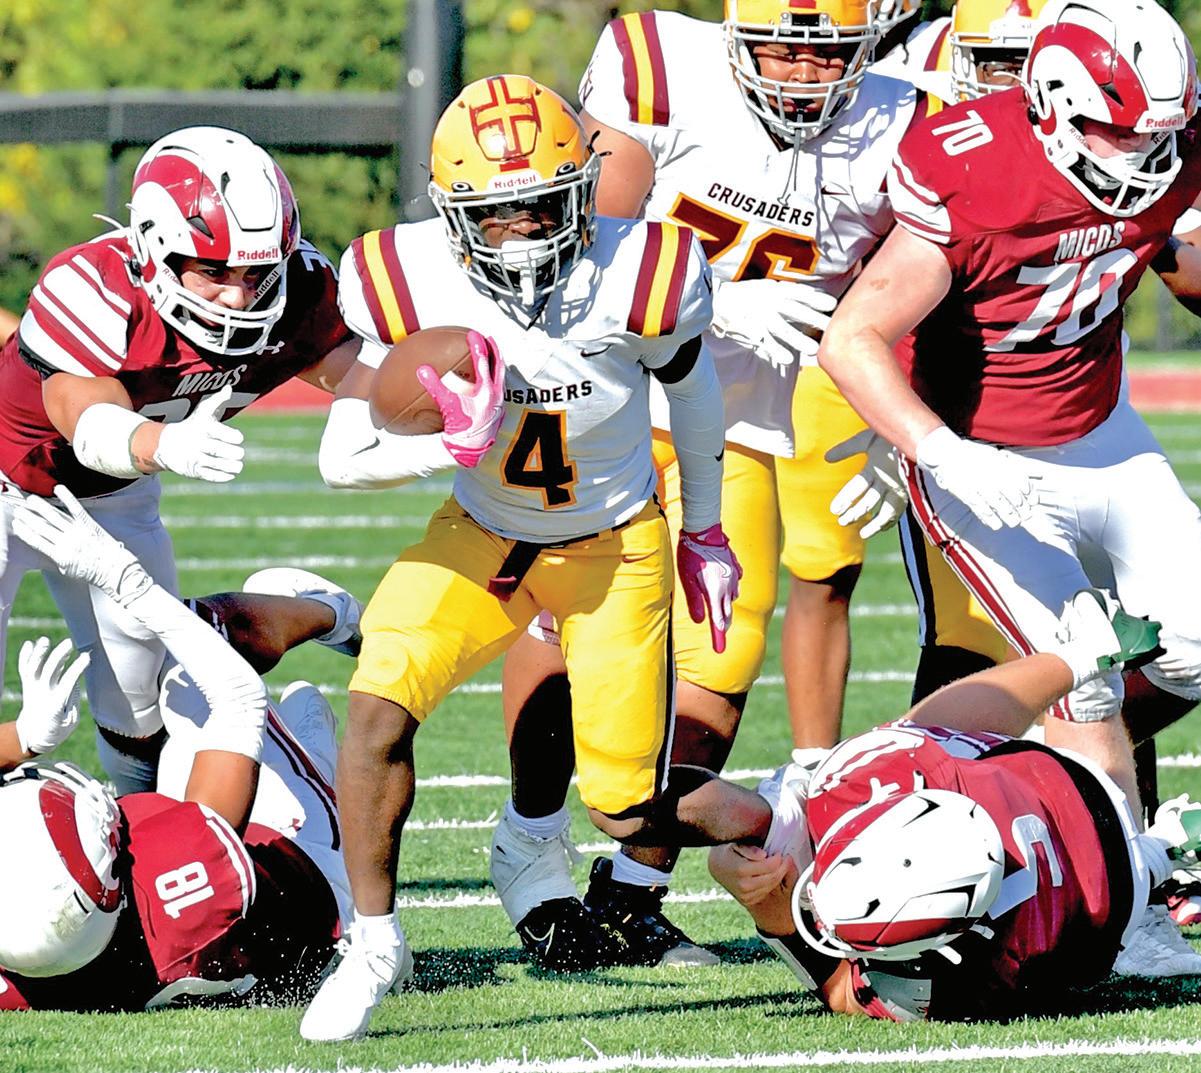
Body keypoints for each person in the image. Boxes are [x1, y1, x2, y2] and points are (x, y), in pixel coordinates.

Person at [301, 75, 823, 1043]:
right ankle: (373, 944)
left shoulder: (646, 269)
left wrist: (704, 530)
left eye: (543, 204)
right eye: (494, 214)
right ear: (451, 214)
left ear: (584, 188)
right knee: (375, 707)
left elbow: (694, 397)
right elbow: (343, 458)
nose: (523, 233)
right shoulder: (399, 273)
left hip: (612, 544)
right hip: (482, 533)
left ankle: (796, 829)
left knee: (626, 805)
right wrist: (445, 441)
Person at [488, 0, 920, 971]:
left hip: (757, 413)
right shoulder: (658, 63)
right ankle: (531, 846)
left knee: (726, 634)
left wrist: (903, 425)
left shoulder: (903, 114)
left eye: (826, 54)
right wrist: (714, 297)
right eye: (779, 48)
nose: (801, 75)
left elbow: (935, 273)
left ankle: (632, 891)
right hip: (626, 389)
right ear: (732, 35)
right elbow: (580, 243)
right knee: (568, 610)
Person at [817, 0, 1201, 972]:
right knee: (1083, 673)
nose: (1145, 155)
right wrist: (937, 451)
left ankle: (1015, 772)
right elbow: (851, 337)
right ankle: (1131, 910)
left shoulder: (1171, 149)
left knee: (1193, 642)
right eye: (1120, 131)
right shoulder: (971, 167)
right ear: (1056, 108)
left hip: (1104, 432)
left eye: (1160, 133)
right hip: (984, 457)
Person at [0, 125, 357, 795]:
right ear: (154, 249)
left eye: (256, 273)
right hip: (10, 481)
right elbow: (81, 414)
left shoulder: (302, 289)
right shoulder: (96, 283)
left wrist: (447, 404)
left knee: (136, 693)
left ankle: (140, 825)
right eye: (213, 270)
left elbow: (366, 377)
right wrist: (160, 443)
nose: (239, 295)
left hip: (111, 499)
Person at [710, 589, 1201, 1018]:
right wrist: (1077, 660)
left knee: (1084, 934)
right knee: (926, 739)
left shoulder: (967, 981)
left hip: (1113, 890)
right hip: (1064, 807)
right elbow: (955, 719)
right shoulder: (902, 780)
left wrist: (764, 904)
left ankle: (1165, 847)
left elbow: (844, 991)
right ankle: (1089, 681)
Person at [0, 487, 361, 1010]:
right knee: (188, 678)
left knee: (177, 734)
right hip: (318, 903)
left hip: (172, 927)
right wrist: (123, 580)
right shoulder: (183, 865)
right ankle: (326, 659)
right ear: (114, 875)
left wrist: (25, 737)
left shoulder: (35, 954)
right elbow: (238, 695)